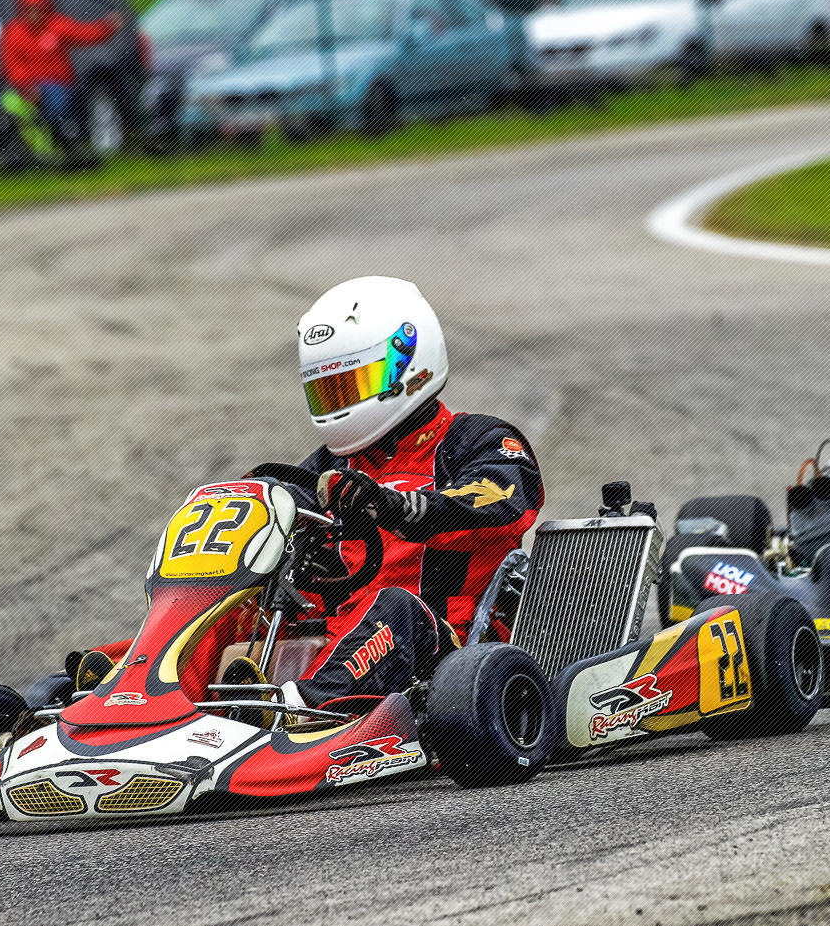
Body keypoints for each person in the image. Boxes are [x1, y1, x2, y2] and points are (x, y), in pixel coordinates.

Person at [74, 277, 544, 710]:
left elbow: (499, 500)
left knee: (394, 606)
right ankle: (137, 696)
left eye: (352, 385)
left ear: (409, 363)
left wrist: (395, 506)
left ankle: (294, 713)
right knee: (225, 610)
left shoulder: (477, 441)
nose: (339, 405)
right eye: (328, 392)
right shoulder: (326, 468)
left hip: (439, 651)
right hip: (331, 637)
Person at [0, 0, 123, 163]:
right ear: (22, 9)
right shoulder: (13, 32)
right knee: (7, 106)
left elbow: (84, 34)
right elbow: (12, 65)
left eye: (38, 9)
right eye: (29, 9)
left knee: (56, 105)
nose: (34, 14)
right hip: (25, 88)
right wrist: (25, 86)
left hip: (58, 86)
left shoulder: (55, 25)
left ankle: (67, 149)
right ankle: (20, 152)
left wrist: (107, 26)